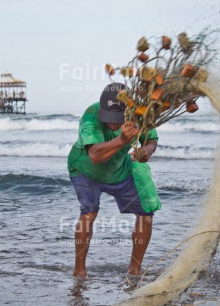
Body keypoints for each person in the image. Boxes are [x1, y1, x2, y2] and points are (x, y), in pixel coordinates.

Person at [67, 83, 159, 278]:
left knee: (146, 213)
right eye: (108, 118)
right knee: (89, 213)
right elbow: (95, 155)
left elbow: (151, 140)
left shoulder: (140, 114)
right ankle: (80, 271)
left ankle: (134, 270)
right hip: (85, 169)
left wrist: (146, 152)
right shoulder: (90, 116)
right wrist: (122, 140)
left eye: (117, 119)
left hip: (120, 169)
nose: (113, 123)